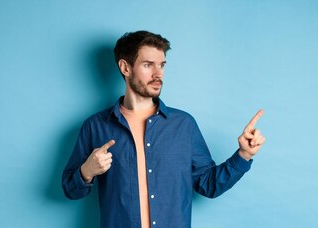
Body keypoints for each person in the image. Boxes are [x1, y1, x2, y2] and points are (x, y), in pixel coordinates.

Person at [62, 30, 265, 228]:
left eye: (162, 65)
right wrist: (86, 171)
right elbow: (71, 190)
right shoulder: (96, 126)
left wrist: (244, 155)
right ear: (125, 67)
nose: (158, 74)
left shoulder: (183, 125)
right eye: (148, 65)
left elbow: (209, 185)